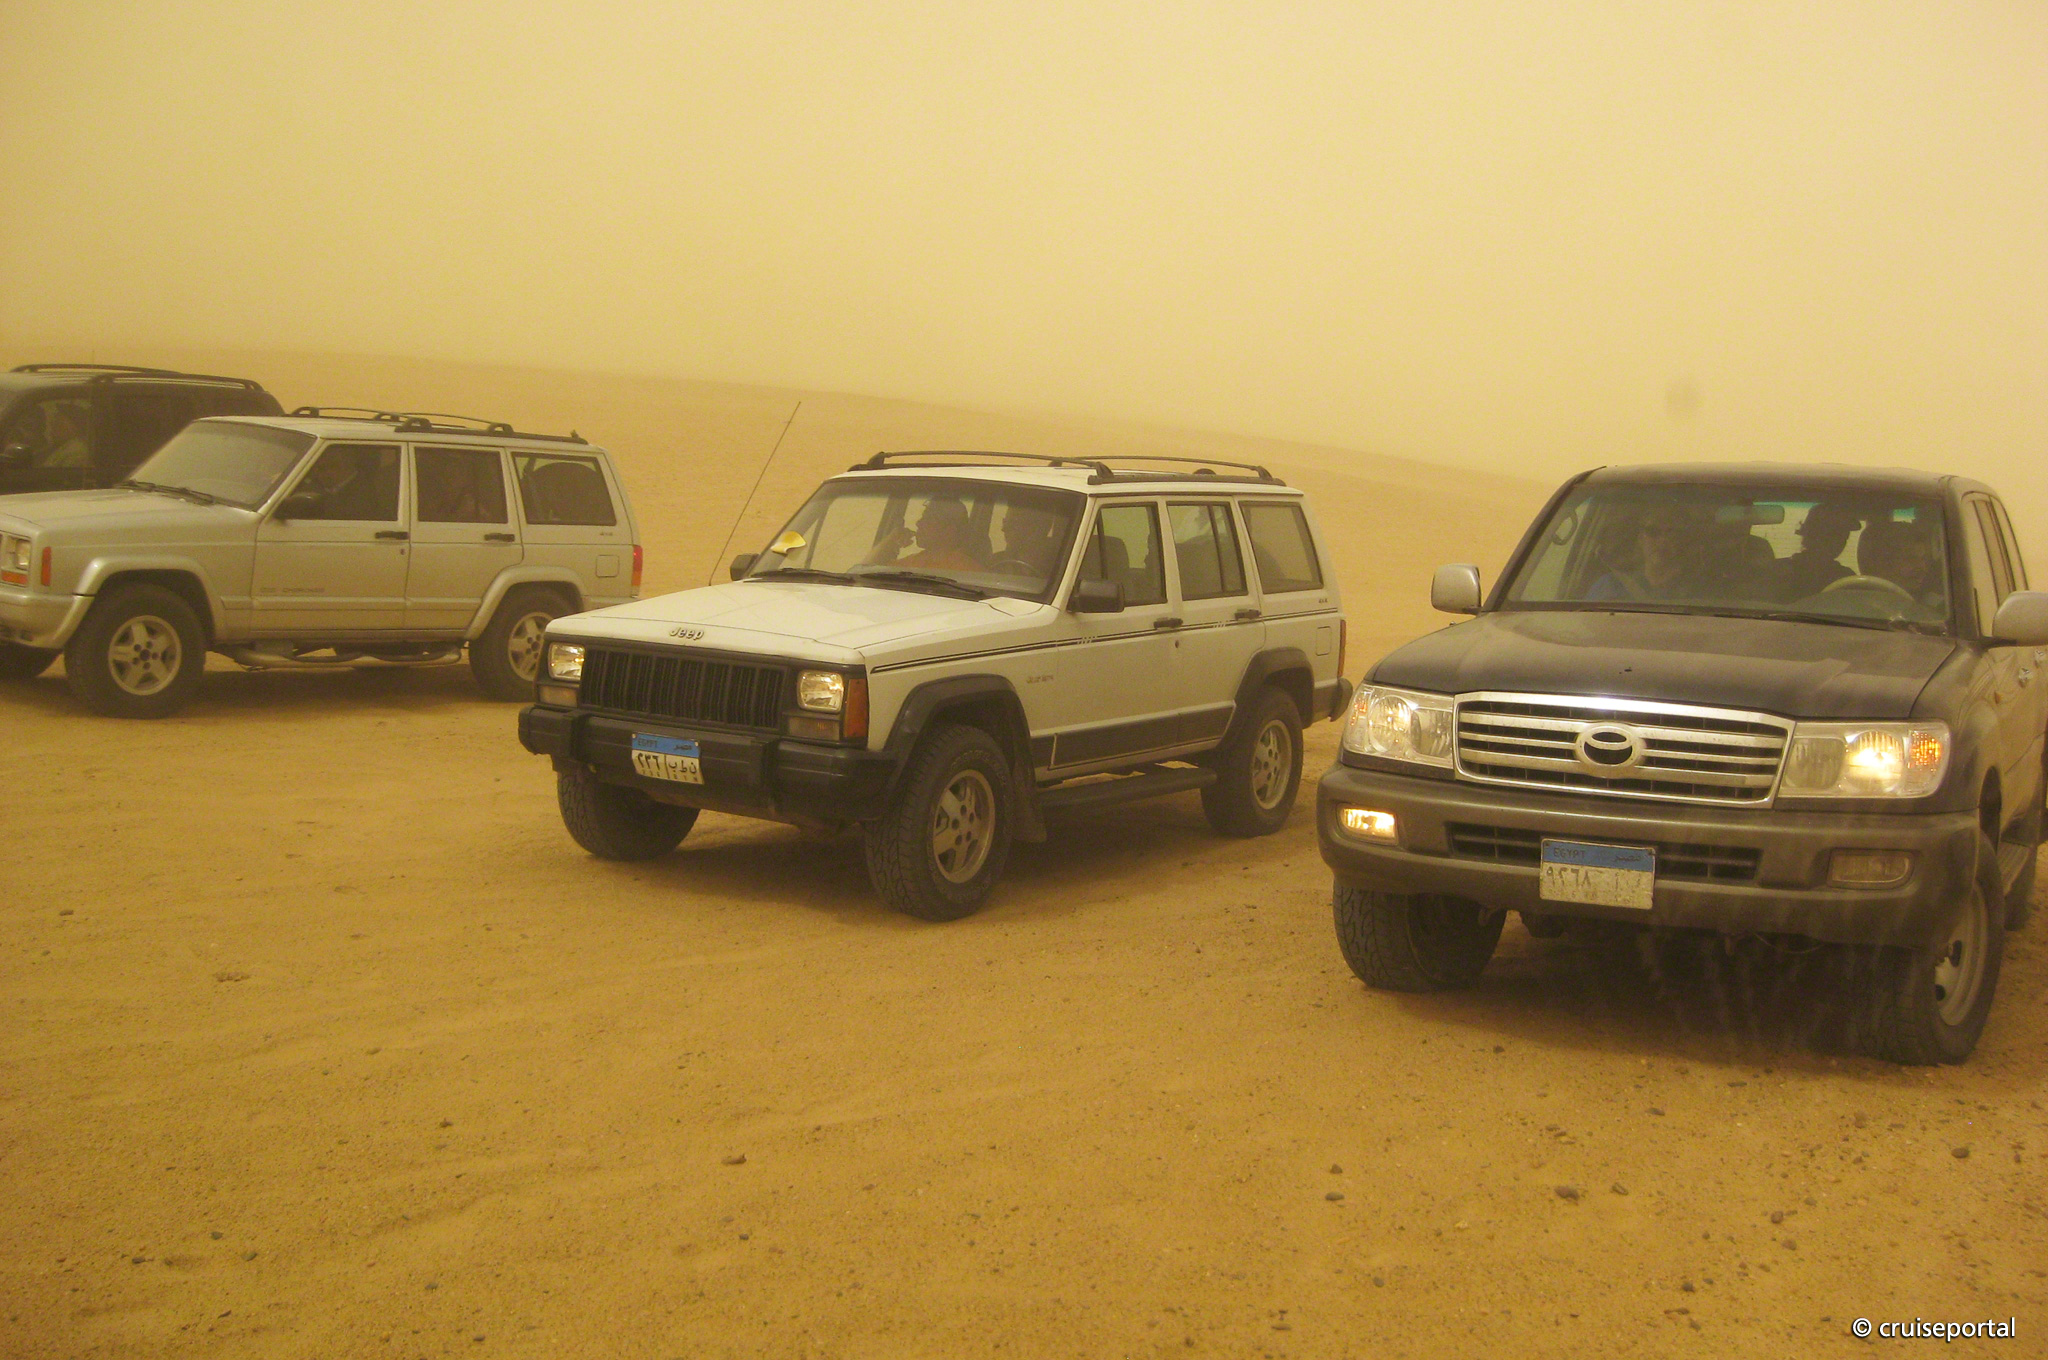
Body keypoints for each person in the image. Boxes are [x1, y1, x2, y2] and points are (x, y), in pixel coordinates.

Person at [1586, 503, 1702, 601]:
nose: (1662, 540)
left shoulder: (1700, 591)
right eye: (1653, 531)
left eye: (1671, 533)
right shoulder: (1610, 586)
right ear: (1640, 539)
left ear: (1683, 540)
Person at [865, 497, 983, 572]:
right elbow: (867, 572)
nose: (918, 523)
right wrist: (891, 539)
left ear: (949, 530)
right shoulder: (914, 561)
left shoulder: (967, 570)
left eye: (928, 519)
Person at [1776, 503, 1859, 600]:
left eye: (1843, 535)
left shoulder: (1847, 578)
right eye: (1832, 534)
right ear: (1812, 535)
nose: (1841, 542)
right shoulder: (1846, 578)